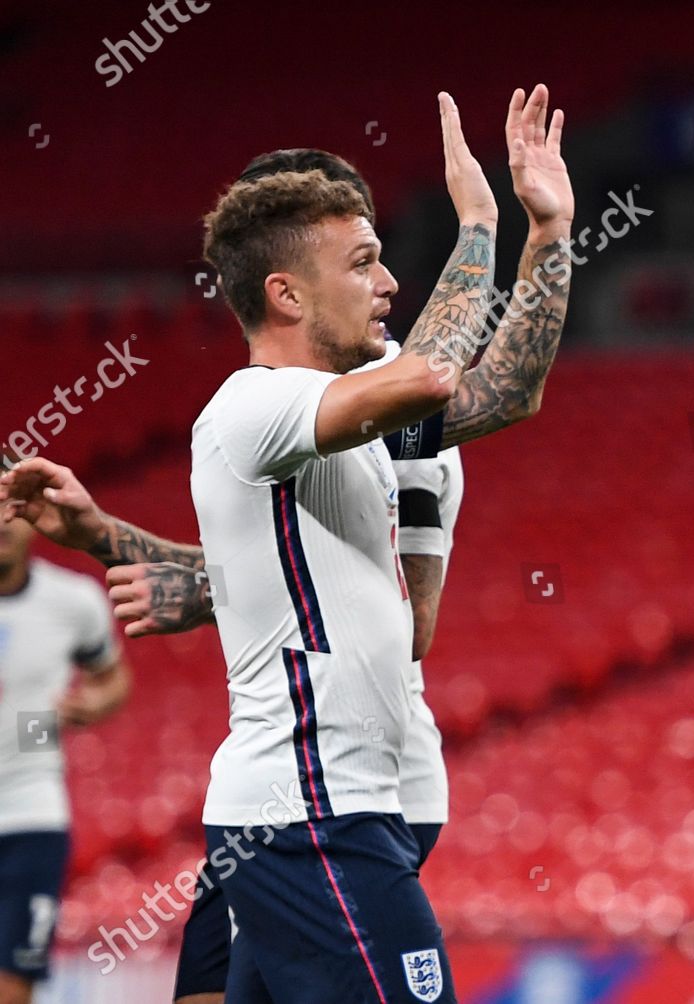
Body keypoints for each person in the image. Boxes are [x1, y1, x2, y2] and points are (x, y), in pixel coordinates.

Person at [2, 84, 572, 1004]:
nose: (387, 284)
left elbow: (503, 393)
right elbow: (431, 375)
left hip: (333, 806)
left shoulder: (362, 431)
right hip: (314, 813)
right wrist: (475, 225)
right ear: (286, 293)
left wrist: (546, 233)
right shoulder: (255, 405)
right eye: (366, 262)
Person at [0, 507, 130, 1004]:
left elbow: (113, 677)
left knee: (13, 985)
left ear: (33, 516)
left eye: (12, 508)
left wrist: (96, 702)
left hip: (32, 813)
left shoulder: (73, 601)